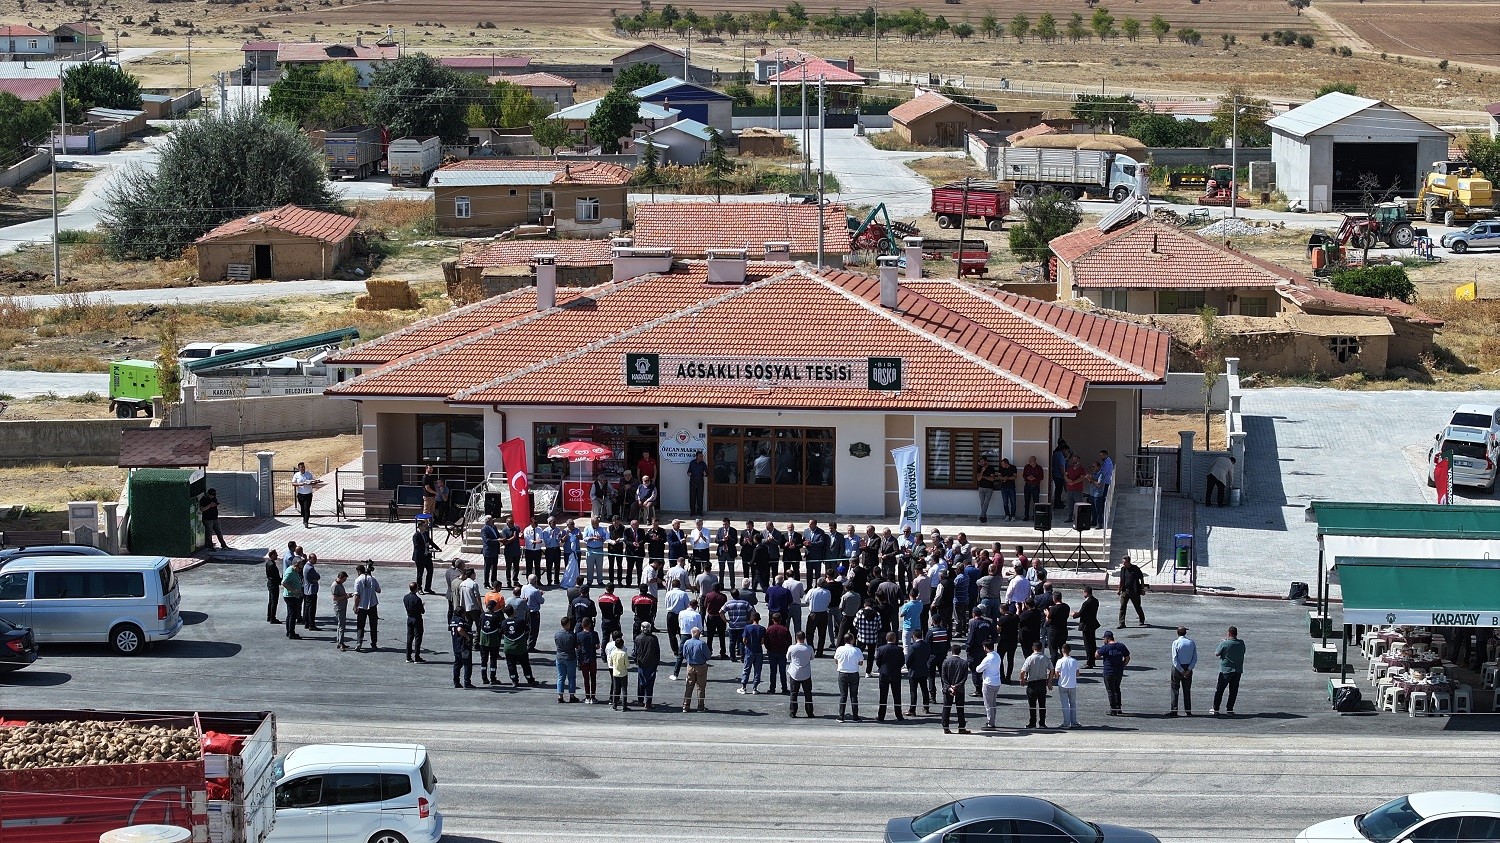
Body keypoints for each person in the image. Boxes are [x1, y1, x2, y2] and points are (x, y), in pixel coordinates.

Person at [1212, 626, 1246, 716]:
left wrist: (1223, 643)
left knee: (1220, 690)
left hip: (1226, 670)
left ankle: (1216, 709)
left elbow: (1217, 653)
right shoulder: (1241, 643)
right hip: (1237, 670)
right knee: (1233, 691)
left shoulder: (1225, 643)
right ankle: (1230, 709)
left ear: (1229, 633)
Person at [500, 605, 536, 687]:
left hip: (508, 647)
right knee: (525, 664)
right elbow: (527, 630)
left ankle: (514, 680)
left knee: (511, 665)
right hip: (520, 647)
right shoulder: (520, 621)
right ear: (514, 611)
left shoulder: (504, 622)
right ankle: (530, 680)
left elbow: (501, 632)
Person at [939, 644, 971, 735]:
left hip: (948, 689)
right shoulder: (964, 663)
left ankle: (946, 727)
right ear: (960, 652)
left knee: (946, 708)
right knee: (960, 708)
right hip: (960, 689)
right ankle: (961, 727)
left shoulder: (946, 662)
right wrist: (956, 686)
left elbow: (943, 677)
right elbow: (964, 678)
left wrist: (949, 686)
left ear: (951, 652)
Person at [1097, 630, 1131, 715]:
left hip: (1109, 672)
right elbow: (1127, 657)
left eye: (1104, 639)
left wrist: (1097, 651)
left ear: (1107, 638)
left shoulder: (1105, 647)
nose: (1104, 640)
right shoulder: (1121, 646)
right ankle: (1118, 708)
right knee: (1117, 689)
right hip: (1119, 672)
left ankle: (1113, 710)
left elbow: (1096, 656)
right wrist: (1123, 665)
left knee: (1110, 691)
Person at [874, 632, 906, 722]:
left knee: (883, 696)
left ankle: (881, 716)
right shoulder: (899, 649)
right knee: (897, 696)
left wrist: (882, 668)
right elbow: (902, 662)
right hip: (896, 674)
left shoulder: (881, 649)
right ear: (894, 639)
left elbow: (878, 662)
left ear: (886, 638)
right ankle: (899, 715)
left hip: (884, 674)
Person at [1020, 641, 1052, 728]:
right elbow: (1051, 670)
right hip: (1042, 683)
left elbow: (1023, 671)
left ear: (1033, 648)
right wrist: (1049, 681)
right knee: (1042, 704)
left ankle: (1032, 723)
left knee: (1032, 705)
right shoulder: (1045, 658)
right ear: (1041, 648)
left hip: (1032, 683)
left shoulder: (1030, 658)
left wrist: (1022, 680)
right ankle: (1042, 723)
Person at [834, 634, 864, 723]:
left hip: (842, 673)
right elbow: (861, 663)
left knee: (843, 695)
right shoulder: (857, 650)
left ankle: (841, 716)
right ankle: (855, 716)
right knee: (854, 695)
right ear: (852, 640)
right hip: (854, 673)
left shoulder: (839, 649)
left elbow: (836, 660)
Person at [1169, 626, 1197, 716]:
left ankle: (1174, 710)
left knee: (1174, 689)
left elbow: (1175, 659)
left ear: (1177, 633)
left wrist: (1181, 670)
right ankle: (1188, 710)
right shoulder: (1191, 643)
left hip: (1177, 668)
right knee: (1187, 690)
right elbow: (1194, 658)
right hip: (1188, 667)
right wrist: (1188, 670)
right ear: (1185, 633)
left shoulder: (1175, 643)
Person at [975, 640, 1004, 730]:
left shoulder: (988, 658)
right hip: (997, 682)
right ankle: (992, 720)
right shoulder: (997, 655)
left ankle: (991, 723)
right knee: (993, 703)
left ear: (985, 648)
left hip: (988, 683)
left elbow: (978, 669)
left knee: (988, 704)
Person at [353, 564, 381, 652]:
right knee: (373, 625)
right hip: (372, 605)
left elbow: (356, 595)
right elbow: (378, 590)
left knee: (360, 625)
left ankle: (359, 642)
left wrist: (355, 606)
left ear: (358, 571)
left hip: (362, 606)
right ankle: (374, 644)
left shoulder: (358, 580)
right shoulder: (372, 579)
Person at [681, 627, 710, 712]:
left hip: (690, 666)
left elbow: (684, 654)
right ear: (699, 634)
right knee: (700, 687)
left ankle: (685, 706)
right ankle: (700, 706)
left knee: (689, 686)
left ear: (691, 633)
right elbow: (708, 656)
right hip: (701, 666)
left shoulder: (687, 642)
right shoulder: (702, 644)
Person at [1053, 643, 1082, 728]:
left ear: (1062, 651)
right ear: (1070, 651)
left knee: (1065, 704)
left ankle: (1066, 723)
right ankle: (1074, 722)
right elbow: (1077, 674)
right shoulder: (1074, 661)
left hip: (1063, 684)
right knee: (1073, 703)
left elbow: (1056, 674)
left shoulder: (1060, 661)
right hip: (1072, 684)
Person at [554, 616, 580, 704]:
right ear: (568, 624)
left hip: (560, 657)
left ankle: (560, 696)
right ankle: (571, 696)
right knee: (571, 677)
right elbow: (576, 646)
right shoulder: (572, 635)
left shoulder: (557, 634)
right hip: (570, 657)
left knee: (561, 677)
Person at [477, 599, 504, 685]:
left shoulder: (482, 615)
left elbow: (479, 625)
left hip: (483, 641)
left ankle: (484, 678)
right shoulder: (496, 617)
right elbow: (499, 629)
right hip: (493, 641)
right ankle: (493, 678)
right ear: (494, 607)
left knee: (483, 660)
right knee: (493, 659)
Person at [1073, 586, 1101, 669]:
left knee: (1088, 644)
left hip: (1086, 625)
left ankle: (1089, 662)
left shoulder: (1086, 603)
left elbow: (1081, 613)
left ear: (1086, 592)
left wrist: (1073, 614)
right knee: (1092, 643)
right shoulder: (1095, 601)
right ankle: (1093, 660)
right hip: (1092, 623)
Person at [905, 631, 932, 716]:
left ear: (914, 636)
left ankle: (912, 709)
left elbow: (908, 660)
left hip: (913, 672)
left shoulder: (913, 647)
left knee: (913, 691)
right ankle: (926, 707)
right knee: (924, 690)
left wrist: (909, 668)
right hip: (923, 670)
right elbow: (928, 656)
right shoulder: (927, 645)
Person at [634, 622, 661, 709]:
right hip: (652, 663)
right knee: (650, 684)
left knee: (641, 683)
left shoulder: (638, 638)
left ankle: (640, 701)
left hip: (641, 663)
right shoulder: (654, 638)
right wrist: (657, 662)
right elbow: (657, 651)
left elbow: (635, 652)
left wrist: (636, 661)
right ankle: (648, 703)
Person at [764, 613, 792, 696]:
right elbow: (789, 641)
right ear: (780, 619)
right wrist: (786, 649)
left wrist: (769, 649)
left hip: (772, 652)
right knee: (782, 671)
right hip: (782, 652)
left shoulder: (769, 629)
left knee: (773, 671)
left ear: (772, 619)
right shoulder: (785, 629)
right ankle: (784, 689)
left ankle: (772, 688)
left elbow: (766, 641)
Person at [1117, 556, 1148, 628]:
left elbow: (1141, 578)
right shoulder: (1123, 569)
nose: (1124, 564)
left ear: (1129, 562)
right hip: (1125, 590)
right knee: (1122, 607)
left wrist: (1142, 589)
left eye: (1125, 562)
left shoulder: (1135, 569)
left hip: (1134, 591)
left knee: (1137, 606)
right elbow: (1121, 580)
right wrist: (1119, 590)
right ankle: (1121, 623)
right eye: (1123, 562)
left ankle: (1141, 619)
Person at [576, 617, 601, 704]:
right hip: (592, 658)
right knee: (593, 678)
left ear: (582, 625)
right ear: (590, 624)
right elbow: (598, 646)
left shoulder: (579, 635)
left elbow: (578, 647)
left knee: (586, 679)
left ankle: (587, 697)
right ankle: (593, 697)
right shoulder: (594, 634)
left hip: (583, 659)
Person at [412, 518, 440, 595]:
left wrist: (437, 547)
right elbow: (416, 546)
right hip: (420, 556)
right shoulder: (416, 535)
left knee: (430, 571)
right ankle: (419, 588)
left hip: (427, 555)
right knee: (420, 573)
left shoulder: (426, 533)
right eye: (424, 526)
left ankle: (427, 587)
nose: (426, 527)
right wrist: (425, 545)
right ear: (420, 526)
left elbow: (430, 541)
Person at [280, 558, 305, 640]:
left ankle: (289, 631)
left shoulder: (293, 571)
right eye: (299, 568)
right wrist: (293, 590)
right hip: (290, 596)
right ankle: (291, 632)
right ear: (295, 565)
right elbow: (284, 582)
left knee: (290, 614)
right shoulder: (290, 572)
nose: (300, 570)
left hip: (292, 596)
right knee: (292, 615)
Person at [449, 612, 474, 689]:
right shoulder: (460, 620)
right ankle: (467, 682)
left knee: (457, 664)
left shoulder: (452, 620)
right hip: (463, 646)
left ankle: (456, 682)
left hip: (456, 646)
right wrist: (467, 637)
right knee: (467, 665)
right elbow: (459, 629)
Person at [607, 632, 631, 710]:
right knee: (624, 689)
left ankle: (615, 704)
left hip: (615, 672)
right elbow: (627, 664)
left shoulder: (613, 653)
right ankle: (624, 705)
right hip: (623, 673)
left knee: (616, 689)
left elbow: (610, 663)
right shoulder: (623, 654)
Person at [520, 575, 545, 651]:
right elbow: (541, 601)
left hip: (525, 611)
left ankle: (524, 644)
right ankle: (531, 646)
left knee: (526, 629)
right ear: (535, 581)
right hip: (534, 612)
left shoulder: (524, 587)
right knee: (534, 630)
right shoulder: (535, 591)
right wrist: (540, 594)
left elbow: (522, 597)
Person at [403, 582, 426, 663]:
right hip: (417, 619)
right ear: (416, 589)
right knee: (418, 638)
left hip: (409, 618)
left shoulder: (406, 597)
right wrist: (422, 606)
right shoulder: (417, 599)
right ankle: (417, 657)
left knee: (409, 637)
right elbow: (422, 611)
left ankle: (408, 656)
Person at [291, 462, 316, 527]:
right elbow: (293, 483)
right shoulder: (296, 475)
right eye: (301, 467)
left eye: (303, 467)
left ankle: (306, 521)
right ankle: (304, 517)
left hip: (308, 494)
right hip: (300, 495)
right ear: (299, 468)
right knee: (302, 509)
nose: (303, 468)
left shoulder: (309, 474)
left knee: (306, 508)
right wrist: (300, 484)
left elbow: (313, 481)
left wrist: (311, 482)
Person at [480, 516, 502, 589]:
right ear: (488, 521)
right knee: (487, 568)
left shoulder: (494, 527)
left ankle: (494, 581)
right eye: (492, 520)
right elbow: (487, 541)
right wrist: (497, 541)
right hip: (488, 552)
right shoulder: (484, 529)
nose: (493, 521)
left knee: (494, 567)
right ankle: (486, 583)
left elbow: (497, 536)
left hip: (495, 551)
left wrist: (502, 538)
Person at [975, 456, 998, 523]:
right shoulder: (979, 468)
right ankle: (984, 517)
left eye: (982, 461)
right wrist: (982, 471)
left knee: (986, 502)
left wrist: (983, 476)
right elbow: (979, 479)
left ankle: (982, 516)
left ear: (986, 461)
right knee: (982, 502)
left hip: (989, 488)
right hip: (981, 488)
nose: (981, 463)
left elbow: (992, 479)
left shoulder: (991, 468)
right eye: (980, 462)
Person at [686, 452, 708, 517]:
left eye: (702, 456)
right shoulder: (692, 463)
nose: (701, 457)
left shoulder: (703, 463)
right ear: (696, 456)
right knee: (692, 497)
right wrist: (689, 473)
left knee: (700, 497)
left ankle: (700, 512)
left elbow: (707, 473)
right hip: (693, 482)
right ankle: (692, 512)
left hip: (700, 482)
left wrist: (705, 473)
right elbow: (689, 471)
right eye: (700, 456)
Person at [1022, 456, 1044, 521]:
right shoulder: (1027, 467)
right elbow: (1024, 475)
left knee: (1036, 502)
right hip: (1028, 486)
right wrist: (1027, 477)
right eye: (1029, 461)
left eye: (1031, 461)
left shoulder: (1039, 468)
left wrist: (1035, 478)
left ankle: (1036, 517)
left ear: (1035, 461)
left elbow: (1042, 477)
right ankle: (1026, 516)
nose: (1030, 462)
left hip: (1035, 486)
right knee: (1027, 502)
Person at [264, 550, 282, 624]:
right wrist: (281, 581)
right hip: (274, 584)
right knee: (274, 602)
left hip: (270, 583)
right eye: (275, 555)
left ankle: (269, 616)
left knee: (271, 601)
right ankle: (272, 618)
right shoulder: (272, 565)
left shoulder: (268, 563)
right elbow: (275, 576)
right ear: (272, 555)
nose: (277, 556)